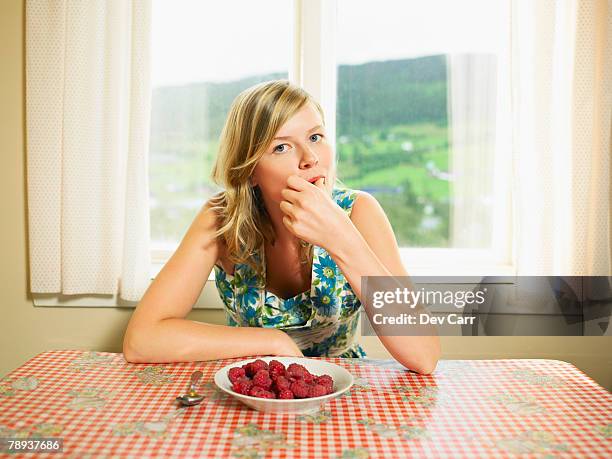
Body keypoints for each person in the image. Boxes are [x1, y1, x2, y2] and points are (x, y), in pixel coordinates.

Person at [123, 80, 440, 374]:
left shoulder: (360, 211)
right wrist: (272, 342)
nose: (310, 158)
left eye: (315, 137)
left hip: (344, 395)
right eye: (281, 147)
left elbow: (423, 355)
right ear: (250, 173)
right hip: (253, 393)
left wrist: (341, 237)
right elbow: (142, 339)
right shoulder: (220, 218)